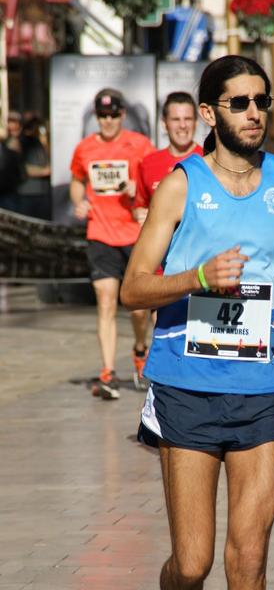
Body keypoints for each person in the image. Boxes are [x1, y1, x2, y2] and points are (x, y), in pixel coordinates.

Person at [120, 55, 274, 590]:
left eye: (261, 101)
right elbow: (133, 287)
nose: (255, 113)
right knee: (193, 562)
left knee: (250, 559)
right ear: (210, 114)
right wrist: (198, 279)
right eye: (240, 103)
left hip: (264, 388)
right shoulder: (181, 185)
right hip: (186, 385)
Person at [70, 88, 156, 399]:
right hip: (100, 234)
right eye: (102, 116)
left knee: (137, 308)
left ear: (121, 114)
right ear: (97, 117)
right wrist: (79, 203)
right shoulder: (84, 149)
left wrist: (138, 187)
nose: (107, 121)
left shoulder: (140, 145)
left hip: (134, 235)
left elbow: (155, 181)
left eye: (112, 115)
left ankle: (139, 347)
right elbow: (78, 181)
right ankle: (107, 371)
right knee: (106, 302)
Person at [134, 91, 203, 224]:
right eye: (176, 119)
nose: (182, 125)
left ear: (196, 122)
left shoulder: (210, 159)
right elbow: (139, 206)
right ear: (164, 124)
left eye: (188, 119)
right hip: (161, 244)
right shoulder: (148, 163)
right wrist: (139, 214)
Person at [17, 114, 51, 220]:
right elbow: (23, 168)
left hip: (43, 193)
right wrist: (45, 171)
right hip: (28, 193)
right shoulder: (22, 142)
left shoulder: (40, 143)